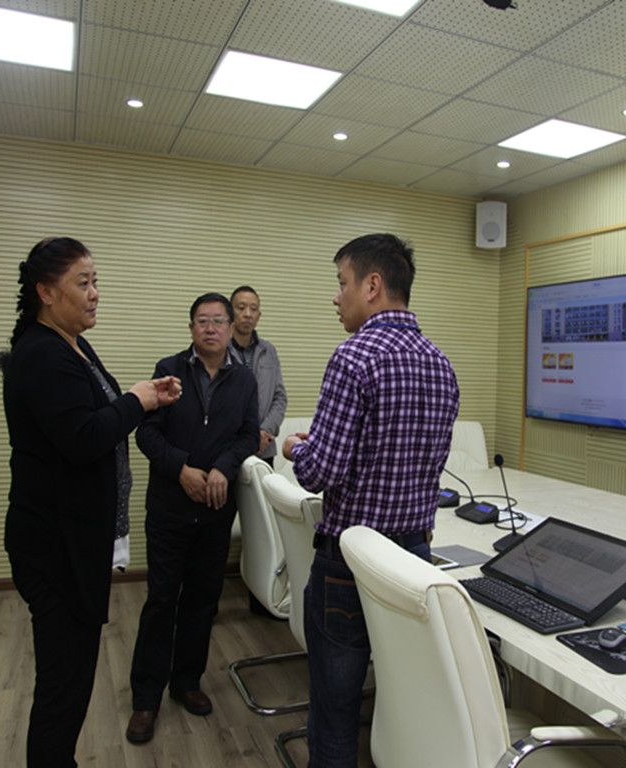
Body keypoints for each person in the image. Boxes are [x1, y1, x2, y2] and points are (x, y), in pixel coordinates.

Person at [0, 236, 182, 768]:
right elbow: (82, 438)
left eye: (96, 281)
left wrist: (144, 399)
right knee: (63, 685)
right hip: (54, 546)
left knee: (72, 678)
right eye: (84, 282)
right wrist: (137, 400)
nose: (95, 292)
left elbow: (96, 413)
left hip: (74, 538)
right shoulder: (41, 353)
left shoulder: (69, 342)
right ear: (46, 292)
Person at [282, 233, 459, 767]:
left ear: (373, 285)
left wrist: (297, 448)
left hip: (350, 563)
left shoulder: (353, 357)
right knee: (400, 692)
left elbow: (321, 472)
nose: (336, 297)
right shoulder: (441, 363)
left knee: (335, 709)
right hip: (413, 558)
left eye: (342, 283)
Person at [126, 292, 260, 744]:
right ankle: (146, 697)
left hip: (216, 509)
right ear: (191, 329)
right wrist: (180, 468)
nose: (211, 328)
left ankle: (187, 681)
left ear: (231, 329)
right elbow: (146, 433)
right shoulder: (168, 370)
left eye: (219, 321)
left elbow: (248, 435)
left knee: (203, 600)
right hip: (170, 507)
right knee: (162, 600)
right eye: (202, 321)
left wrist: (223, 467)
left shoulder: (244, 380)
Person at [228, 285, 287, 466]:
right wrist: (247, 438)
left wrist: (265, 432)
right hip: (229, 448)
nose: (248, 314)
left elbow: (280, 397)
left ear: (259, 316)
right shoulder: (220, 350)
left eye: (253, 309)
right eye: (241, 308)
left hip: (264, 448)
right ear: (230, 313)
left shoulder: (268, 350)